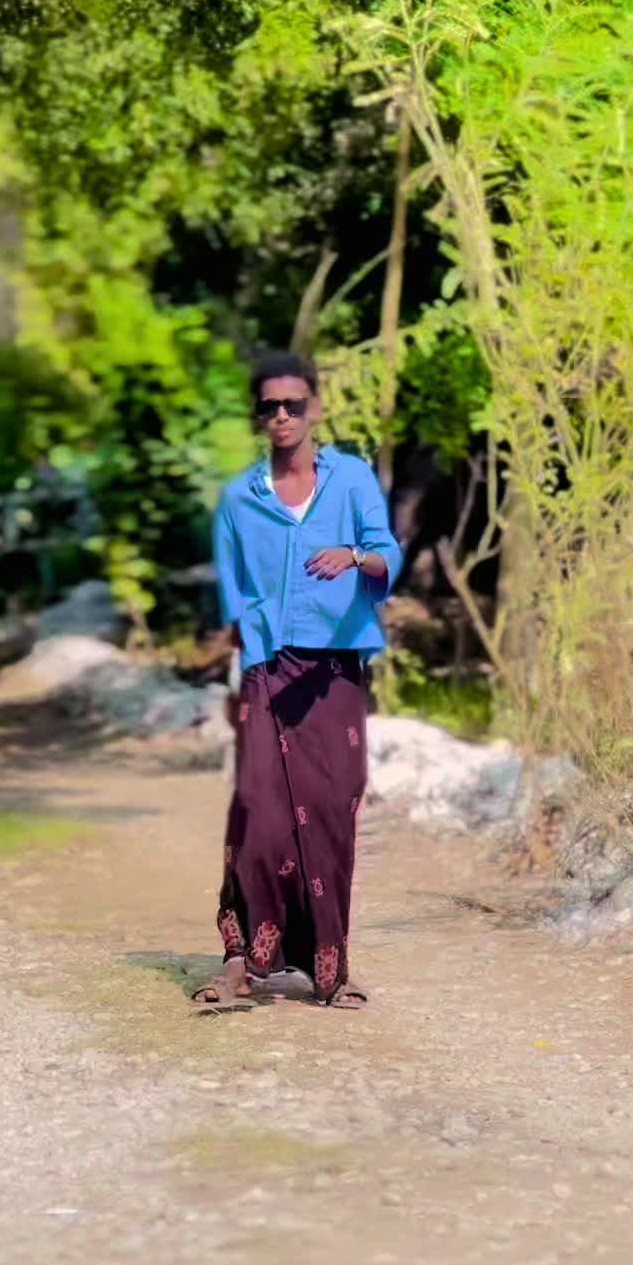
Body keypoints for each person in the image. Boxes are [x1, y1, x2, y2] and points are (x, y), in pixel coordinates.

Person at [194, 352, 402, 1013]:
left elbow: (388, 553)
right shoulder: (239, 499)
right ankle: (241, 961)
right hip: (266, 669)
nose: (282, 415)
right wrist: (236, 683)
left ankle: (330, 968)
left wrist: (355, 556)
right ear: (257, 415)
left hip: (334, 671)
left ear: (314, 408)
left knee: (332, 813)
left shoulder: (351, 478)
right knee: (257, 814)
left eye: (294, 404)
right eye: (269, 406)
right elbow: (233, 599)